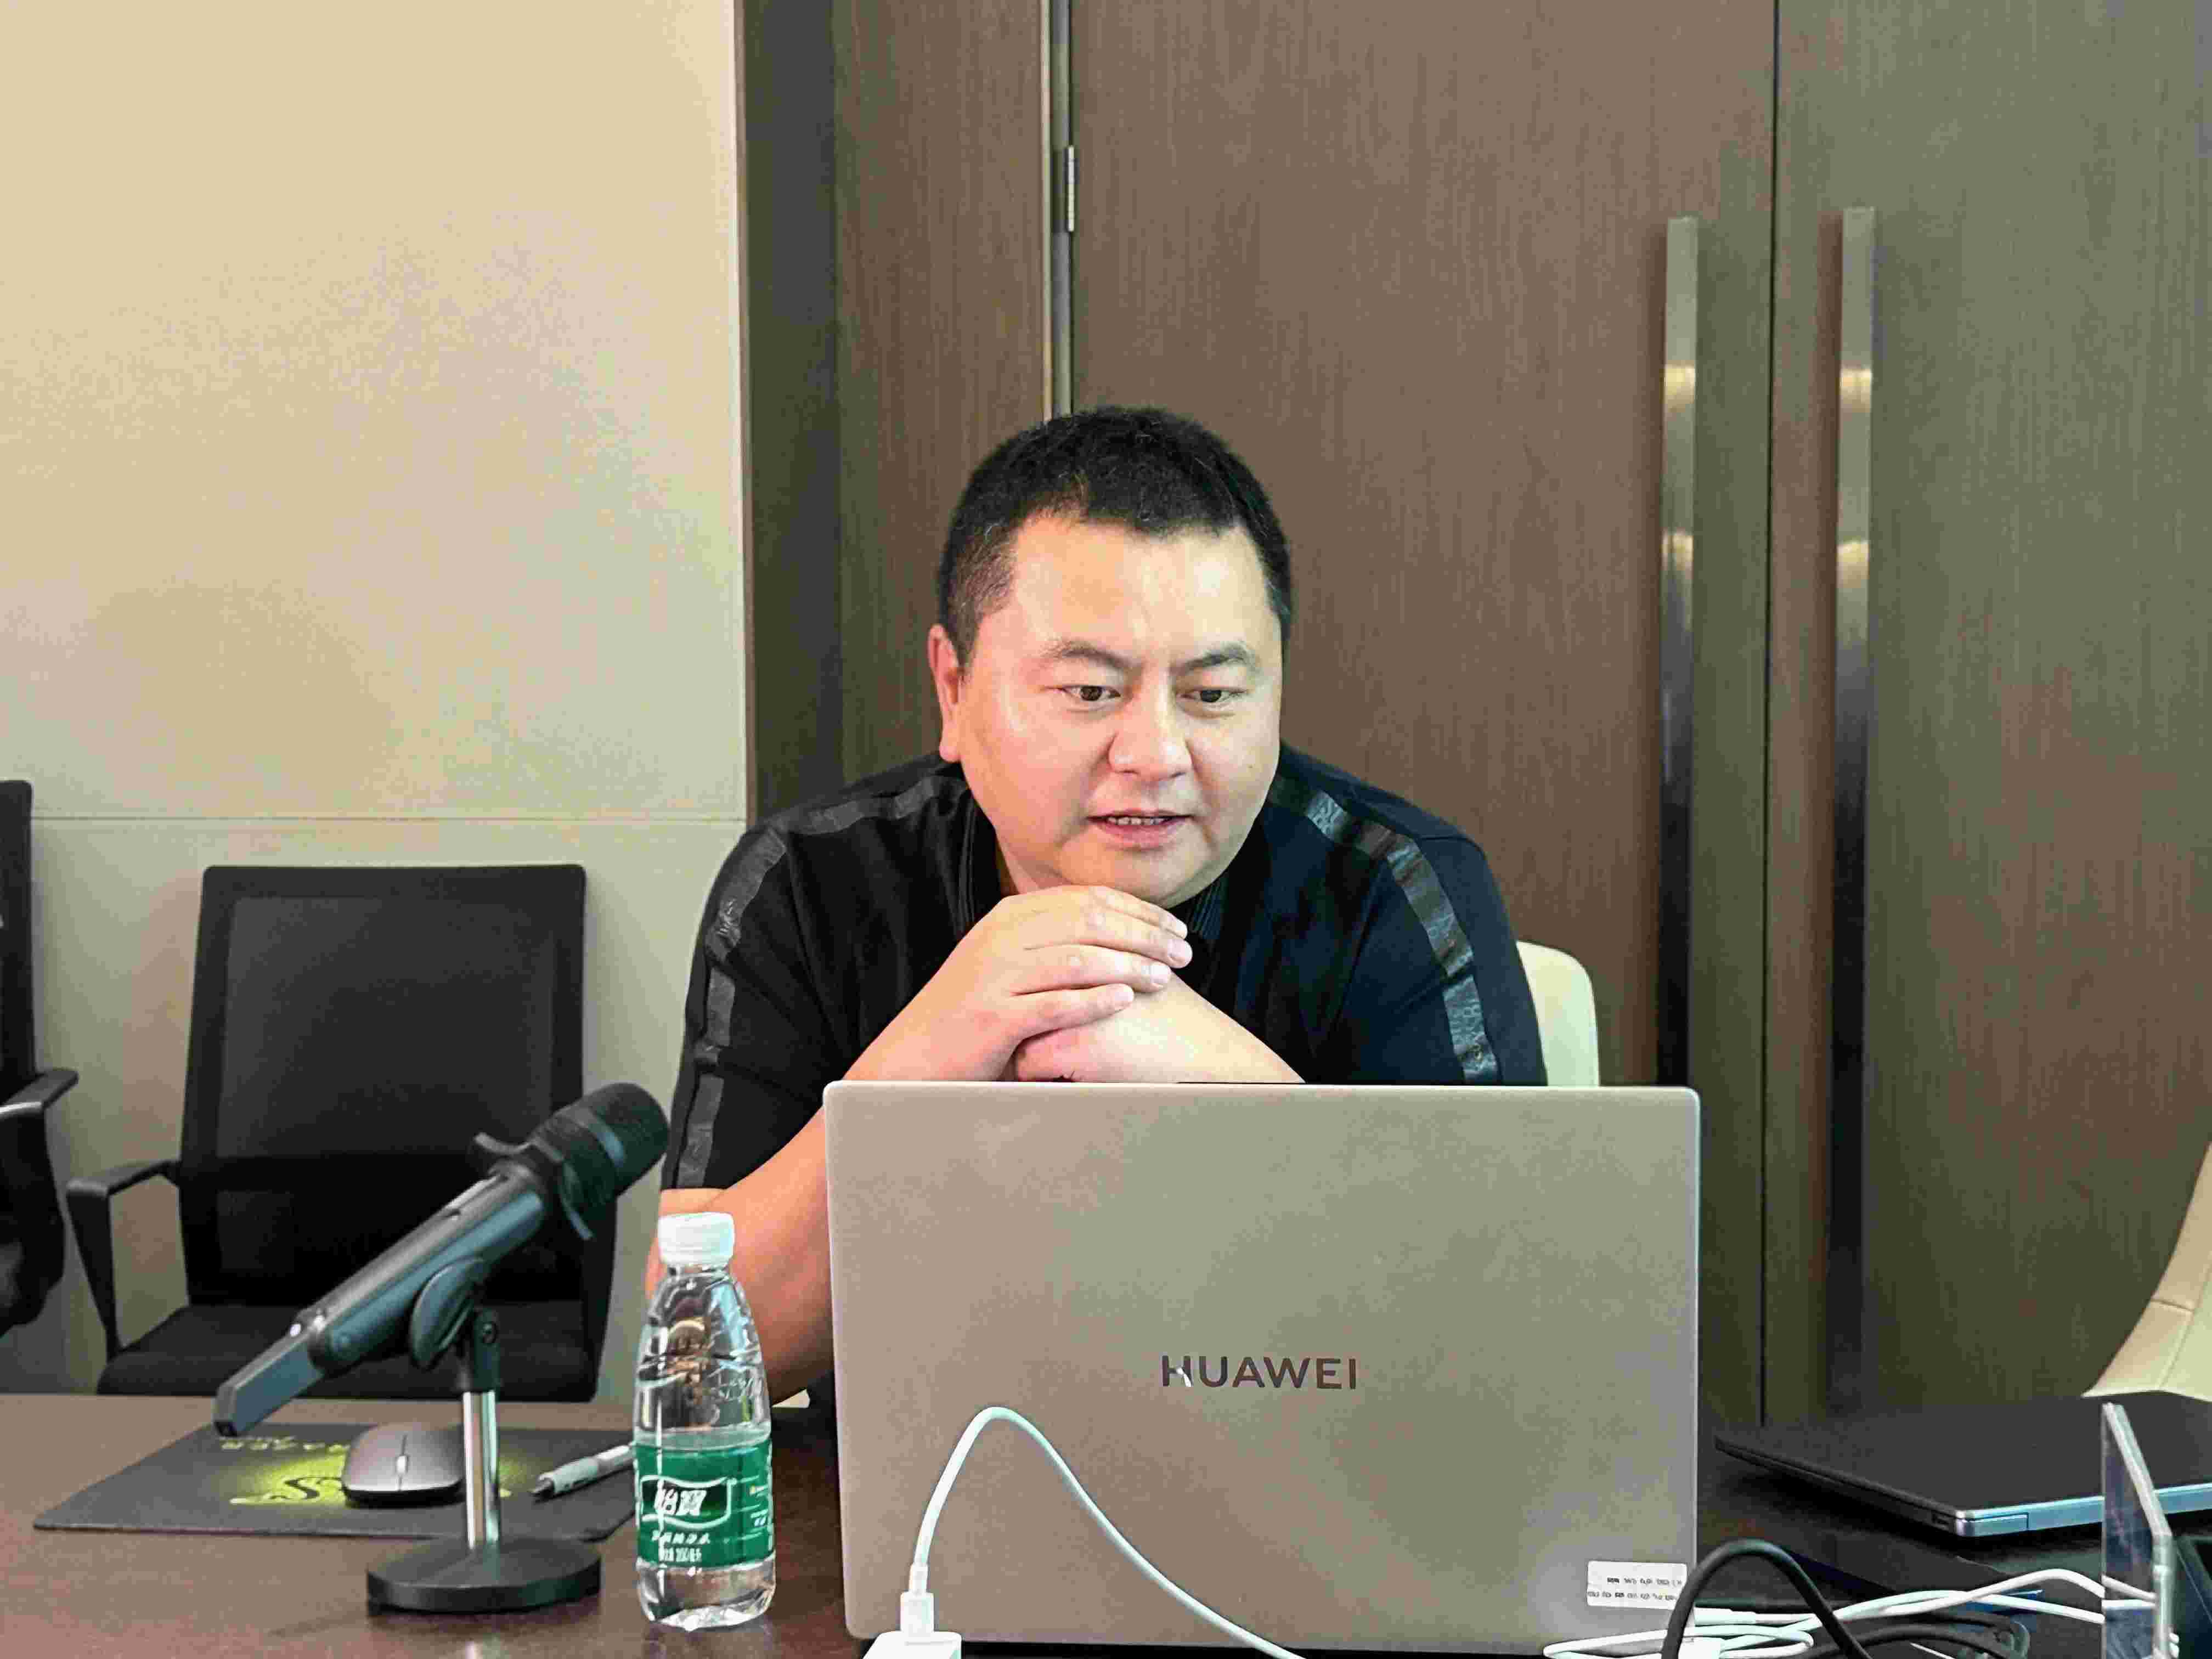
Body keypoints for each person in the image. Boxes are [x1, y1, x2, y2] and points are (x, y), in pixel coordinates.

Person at [657, 407, 1545, 1400]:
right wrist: (934, 1056)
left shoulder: (1396, 888)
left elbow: (1506, 1359)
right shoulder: (813, 884)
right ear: (954, 689)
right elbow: (691, 1368)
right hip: (923, 1489)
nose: (1155, 754)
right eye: (1089, 692)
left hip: (1305, 1485)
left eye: (1212, 695)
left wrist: (1243, 1105)